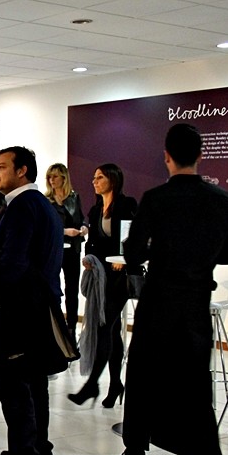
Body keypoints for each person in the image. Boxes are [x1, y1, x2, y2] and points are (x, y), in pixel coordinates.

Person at [117, 123, 228, 455]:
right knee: (197, 387)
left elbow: (133, 253)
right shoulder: (220, 199)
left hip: (157, 303)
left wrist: (156, 248)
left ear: (166, 156)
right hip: (195, 303)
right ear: (200, 155)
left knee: (142, 379)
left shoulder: (155, 199)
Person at [0, 146, 63, 455]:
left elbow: (12, 263)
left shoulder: (21, 207)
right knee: (34, 387)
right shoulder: (42, 205)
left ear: (22, 171)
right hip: (38, 310)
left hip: (19, 313)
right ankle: (36, 451)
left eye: (2, 166)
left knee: (14, 389)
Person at [68, 163, 136, 409]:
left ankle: (92, 383)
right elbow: (93, 242)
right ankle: (115, 384)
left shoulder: (127, 205)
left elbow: (133, 237)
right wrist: (88, 257)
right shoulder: (96, 209)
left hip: (121, 275)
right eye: (94, 177)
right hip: (101, 276)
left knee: (104, 326)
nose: (94, 181)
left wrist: (124, 258)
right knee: (112, 330)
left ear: (112, 180)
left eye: (100, 177)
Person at [44, 163, 87, 340]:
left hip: (73, 250)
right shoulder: (46, 200)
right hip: (54, 249)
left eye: (55, 176)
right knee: (52, 288)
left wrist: (84, 227)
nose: (51, 180)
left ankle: (71, 329)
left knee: (72, 289)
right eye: (49, 177)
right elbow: (45, 227)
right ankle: (54, 327)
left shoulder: (74, 198)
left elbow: (81, 218)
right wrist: (64, 232)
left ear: (64, 178)